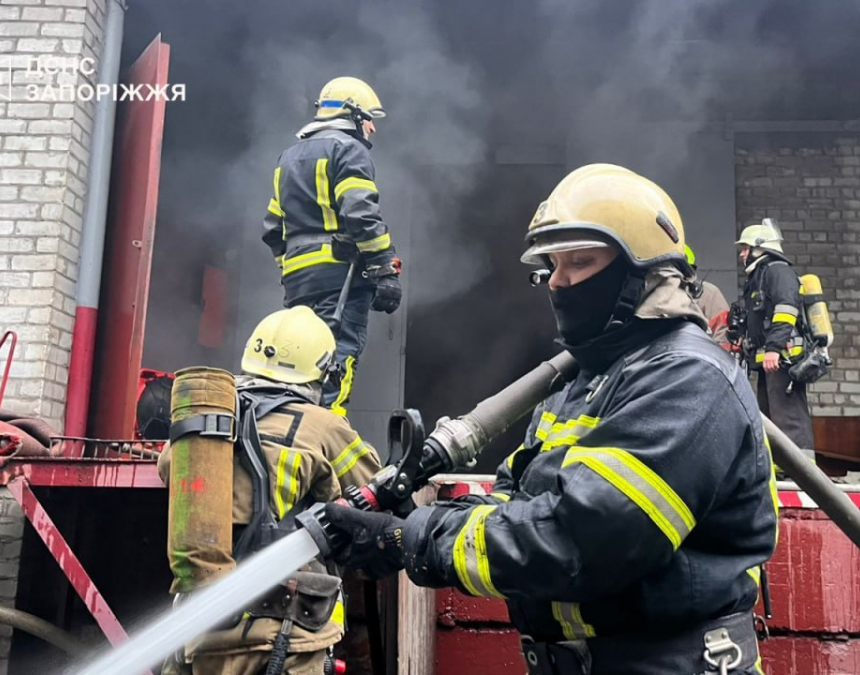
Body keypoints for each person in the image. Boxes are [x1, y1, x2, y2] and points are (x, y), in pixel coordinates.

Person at [321, 164, 777, 675]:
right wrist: (408, 520)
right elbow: (518, 500)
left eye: (579, 262)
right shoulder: (581, 385)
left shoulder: (688, 380)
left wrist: (415, 540)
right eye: (551, 266)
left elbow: (581, 542)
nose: (556, 282)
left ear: (640, 270)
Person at [160, 307, 382, 675]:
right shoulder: (324, 425)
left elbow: (170, 469)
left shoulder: (205, 420)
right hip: (289, 630)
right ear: (322, 371)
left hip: (201, 626)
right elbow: (373, 486)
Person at [261, 76, 402, 416]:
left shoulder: (288, 157)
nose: (372, 127)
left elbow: (272, 228)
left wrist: (292, 270)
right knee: (335, 360)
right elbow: (360, 212)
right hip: (340, 282)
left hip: (297, 285)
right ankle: (324, 437)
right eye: (369, 117)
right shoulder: (348, 150)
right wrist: (384, 267)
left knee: (297, 365)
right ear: (352, 115)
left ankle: (290, 430)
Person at [735, 219, 815, 457]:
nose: (742, 254)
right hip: (768, 358)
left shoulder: (777, 271)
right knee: (769, 411)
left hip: (782, 355)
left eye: (745, 248)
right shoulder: (760, 275)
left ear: (760, 247)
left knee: (788, 413)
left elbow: (786, 309)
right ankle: (779, 464)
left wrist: (774, 348)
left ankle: (802, 466)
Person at [684, 244, 731, 349]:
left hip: (700, 357)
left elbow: (722, 332)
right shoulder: (655, 294)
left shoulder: (708, 293)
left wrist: (720, 359)